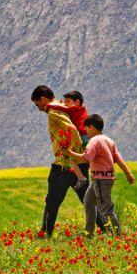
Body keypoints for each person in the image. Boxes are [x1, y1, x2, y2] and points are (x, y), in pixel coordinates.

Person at [31, 84, 88, 237]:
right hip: (77, 163)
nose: (38, 108)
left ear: (43, 99)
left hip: (65, 163)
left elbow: (72, 130)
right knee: (87, 198)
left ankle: (45, 232)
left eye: (38, 104)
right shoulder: (61, 107)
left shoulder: (54, 111)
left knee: (52, 201)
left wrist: (75, 153)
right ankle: (109, 230)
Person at [66, 113, 133, 236]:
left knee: (106, 208)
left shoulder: (94, 141)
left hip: (100, 179)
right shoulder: (109, 140)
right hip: (102, 179)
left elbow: (86, 158)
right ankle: (88, 232)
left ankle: (117, 235)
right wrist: (129, 173)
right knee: (88, 202)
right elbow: (118, 159)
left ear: (91, 127)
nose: (86, 131)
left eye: (86, 128)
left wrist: (70, 153)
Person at [47, 91, 91, 192]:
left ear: (77, 102)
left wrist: (50, 105)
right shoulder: (80, 108)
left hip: (83, 137)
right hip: (85, 136)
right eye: (65, 101)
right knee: (75, 159)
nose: (66, 103)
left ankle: (82, 178)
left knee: (79, 158)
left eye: (68, 101)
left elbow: (62, 109)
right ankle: (82, 177)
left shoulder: (75, 109)